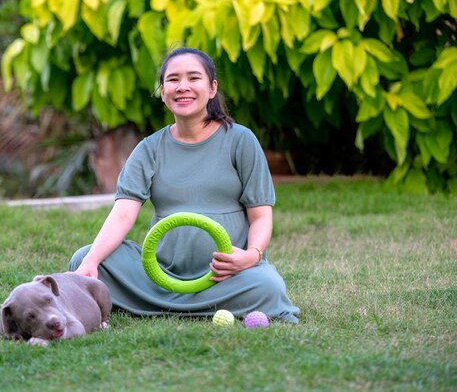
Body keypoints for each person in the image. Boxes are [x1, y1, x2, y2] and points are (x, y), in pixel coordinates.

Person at [69, 47, 300, 323]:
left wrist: (251, 256)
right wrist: (92, 261)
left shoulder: (241, 140)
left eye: (194, 78)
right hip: (162, 274)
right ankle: (174, 301)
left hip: (226, 276)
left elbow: (261, 215)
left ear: (212, 88)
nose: (183, 87)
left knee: (269, 286)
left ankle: (156, 306)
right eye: (173, 80)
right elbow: (122, 213)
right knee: (83, 258)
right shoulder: (149, 149)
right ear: (163, 91)